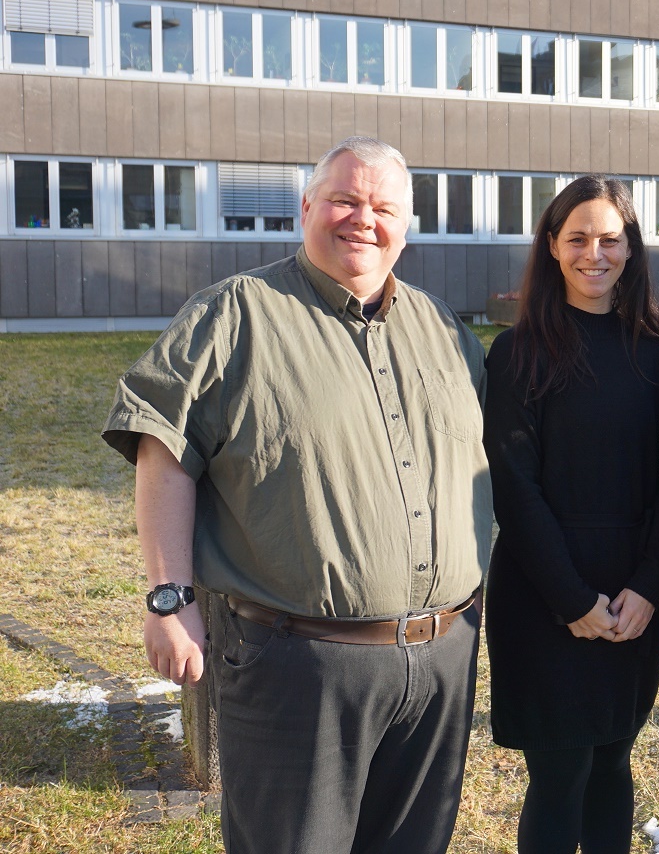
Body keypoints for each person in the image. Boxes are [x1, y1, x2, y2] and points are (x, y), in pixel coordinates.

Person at [102, 136, 491, 853]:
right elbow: (162, 448)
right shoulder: (235, 314)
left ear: (407, 226)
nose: (363, 219)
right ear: (306, 207)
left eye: (383, 208)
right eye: (344, 199)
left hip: (441, 659)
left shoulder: (445, 331)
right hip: (297, 665)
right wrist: (169, 599)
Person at [484, 176, 659, 854]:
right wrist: (571, 599)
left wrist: (650, 586)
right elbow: (514, 488)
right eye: (578, 238)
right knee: (561, 772)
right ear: (552, 245)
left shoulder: (655, 354)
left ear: (631, 250)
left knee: (612, 763)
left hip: (634, 600)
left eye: (610, 240)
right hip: (545, 596)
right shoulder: (516, 354)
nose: (594, 254)